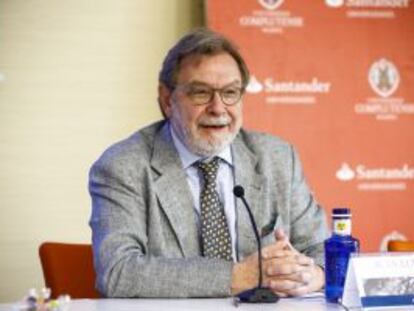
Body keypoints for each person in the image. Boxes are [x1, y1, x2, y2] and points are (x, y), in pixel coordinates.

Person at [89, 28, 329, 298]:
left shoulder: (278, 158)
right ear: (168, 100)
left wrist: (314, 274)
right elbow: (118, 272)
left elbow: (324, 249)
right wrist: (239, 276)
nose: (218, 108)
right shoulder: (124, 166)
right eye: (201, 93)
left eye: (230, 92)